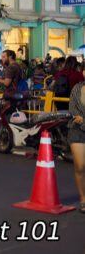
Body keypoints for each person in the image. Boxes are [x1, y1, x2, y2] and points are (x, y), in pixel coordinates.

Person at [67, 79, 85, 213]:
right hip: (77, 129)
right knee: (80, 166)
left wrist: (83, 120)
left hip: (82, 123)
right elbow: (73, 109)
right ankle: (83, 199)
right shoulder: (77, 88)